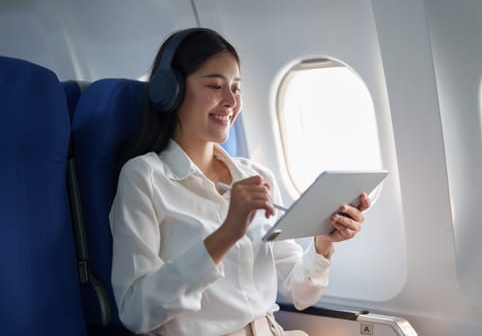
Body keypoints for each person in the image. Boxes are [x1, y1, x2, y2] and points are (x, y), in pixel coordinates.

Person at [109, 27, 370, 336]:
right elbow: (136, 312)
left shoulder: (254, 177)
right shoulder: (145, 178)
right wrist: (226, 234)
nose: (231, 100)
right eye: (216, 85)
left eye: (237, 87)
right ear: (173, 91)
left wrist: (324, 240)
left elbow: (299, 292)